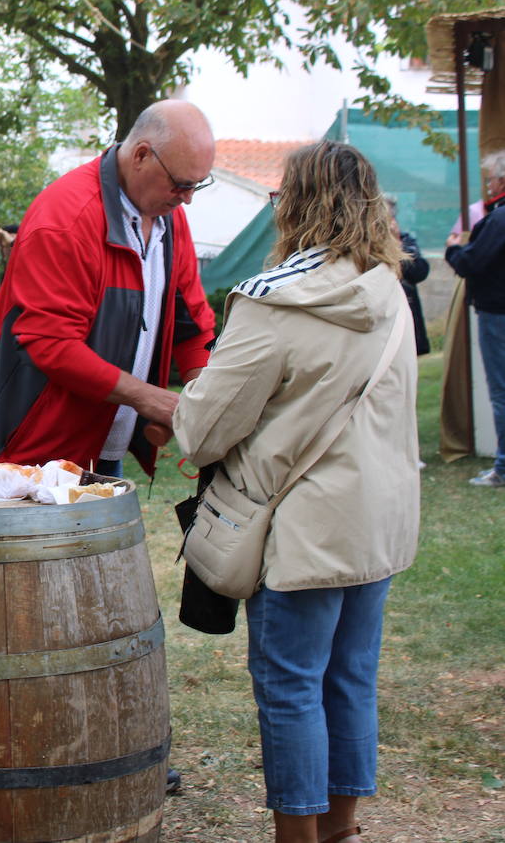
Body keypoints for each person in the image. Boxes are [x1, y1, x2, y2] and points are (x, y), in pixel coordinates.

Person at [174, 140, 419, 843]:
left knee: (290, 687)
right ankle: (339, 827)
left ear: (295, 203)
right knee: (349, 678)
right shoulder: (390, 295)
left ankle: (297, 837)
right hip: (376, 522)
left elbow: (204, 429)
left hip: (304, 525)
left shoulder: (275, 302)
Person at [0, 99, 217, 479]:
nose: (188, 198)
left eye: (198, 185)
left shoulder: (169, 219)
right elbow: (51, 343)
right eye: (182, 184)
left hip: (100, 437)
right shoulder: (65, 219)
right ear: (142, 155)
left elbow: (194, 323)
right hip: (34, 440)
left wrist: (203, 398)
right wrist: (150, 398)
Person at [445, 150, 505, 488]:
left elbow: (471, 262)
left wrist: (454, 249)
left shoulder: (499, 219)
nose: (489, 185)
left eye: (491, 179)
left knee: (501, 392)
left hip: (498, 313)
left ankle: (504, 466)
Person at [385, 195, 430, 356]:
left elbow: (419, 272)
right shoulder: (365, 247)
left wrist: (396, 245)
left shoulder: (406, 242)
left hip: (408, 317)